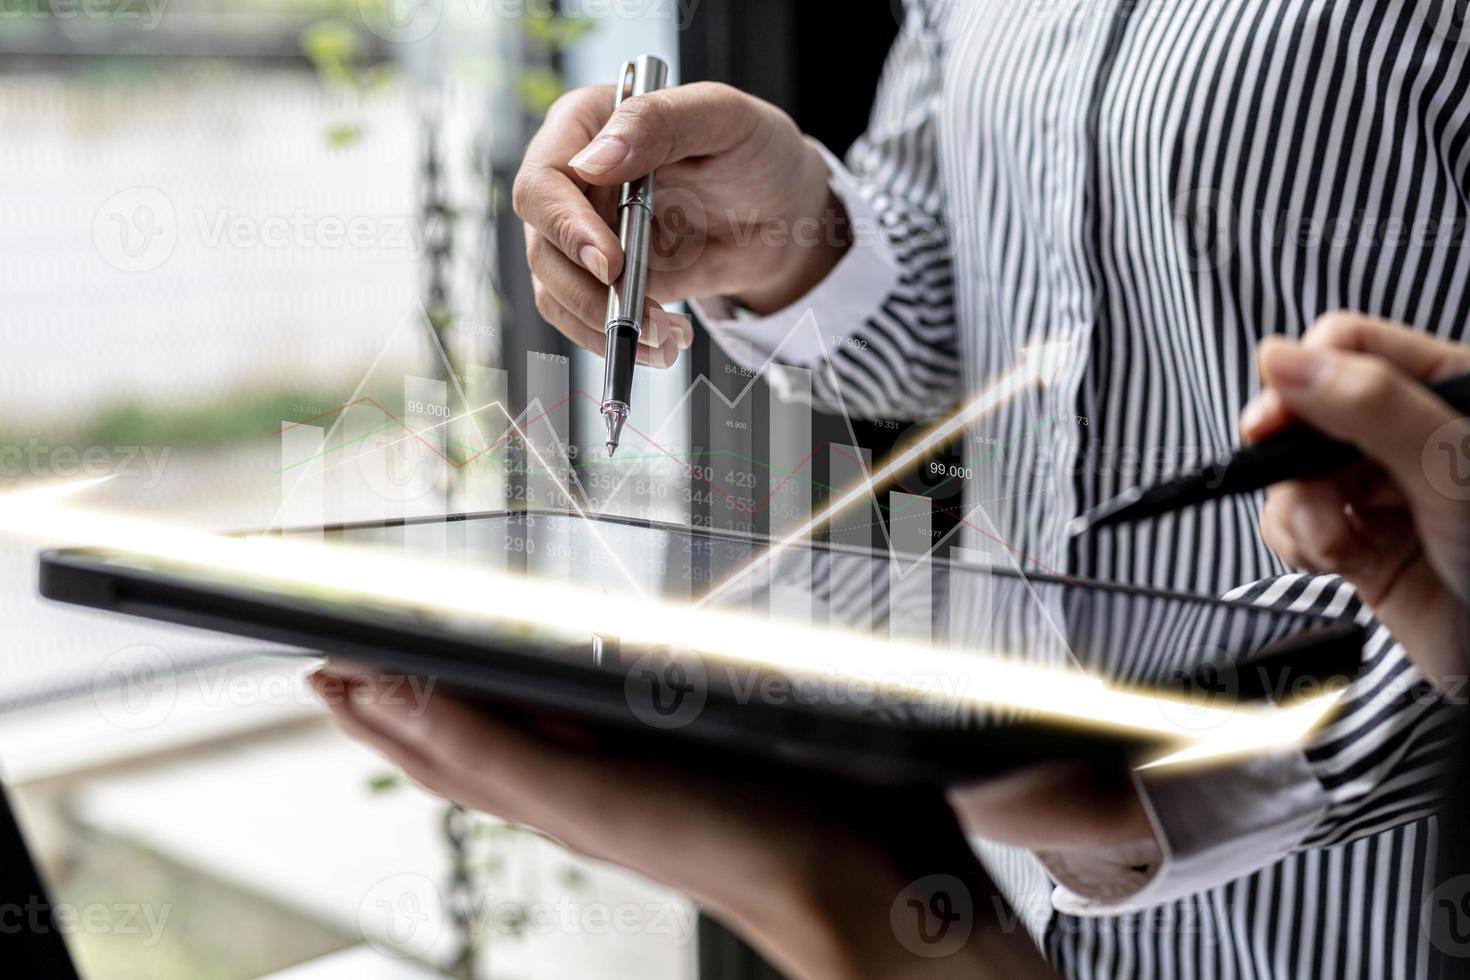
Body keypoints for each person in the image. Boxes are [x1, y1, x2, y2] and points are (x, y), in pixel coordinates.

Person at [320, 3, 1470, 976]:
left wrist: (1182, 782)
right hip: (994, 857)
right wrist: (787, 238)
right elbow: (969, 313)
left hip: (1351, 901)